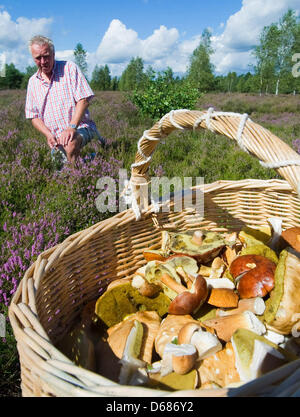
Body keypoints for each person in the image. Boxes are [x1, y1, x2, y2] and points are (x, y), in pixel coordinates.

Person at [25, 35, 104, 167]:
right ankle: (92, 159)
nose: (43, 61)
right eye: (38, 58)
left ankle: (77, 183)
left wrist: (71, 127)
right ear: (33, 58)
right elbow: (33, 116)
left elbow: (84, 100)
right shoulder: (33, 82)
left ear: (53, 54)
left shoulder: (69, 68)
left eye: (46, 56)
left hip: (81, 127)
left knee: (70, 144)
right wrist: (48, 134)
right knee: (60, 171)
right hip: (56, 138)